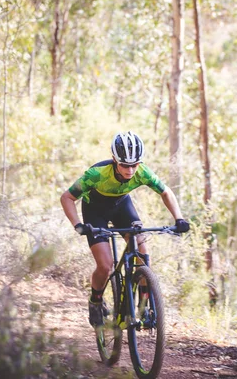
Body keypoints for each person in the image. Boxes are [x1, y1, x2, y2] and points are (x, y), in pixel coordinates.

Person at [60, 131, 190, 327]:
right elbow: (67, 197)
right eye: (125, 165)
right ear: (114, 160)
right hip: (95, 212)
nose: (130, 170)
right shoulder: (96, 174)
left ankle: (144, 305)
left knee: (143, 252)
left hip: (122, 207)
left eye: (134, 165)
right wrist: (78, 225)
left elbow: (166, 192)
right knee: (105, 265)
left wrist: (179, 218)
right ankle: (95, 301)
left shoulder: (143, 172)